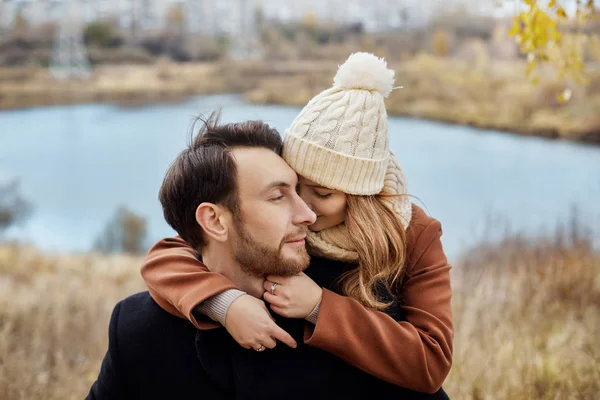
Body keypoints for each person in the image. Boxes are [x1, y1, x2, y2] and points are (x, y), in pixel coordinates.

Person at [140, 53, 453, 395]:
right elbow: (170, 255)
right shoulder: (275, 226)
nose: (304, 208)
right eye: (287, 189)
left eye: (321, 193)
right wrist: (225, 303)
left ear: (360, 197)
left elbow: (431, 361)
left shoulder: (412, 234)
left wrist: (321, 306)